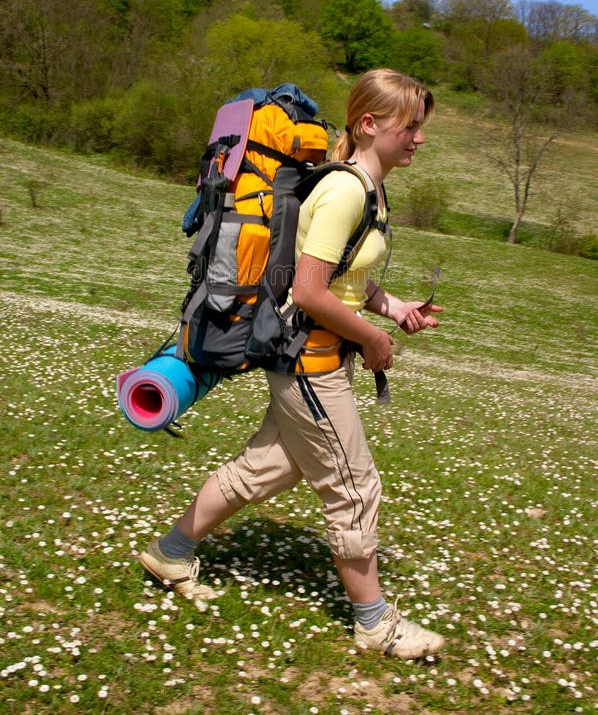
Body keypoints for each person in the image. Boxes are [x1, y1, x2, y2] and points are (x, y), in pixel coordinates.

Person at [140, 69, 445, 659]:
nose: (419, 138)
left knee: (262, 471)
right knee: (355, 489)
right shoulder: (346, 191)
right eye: (411, 126)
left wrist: (393, 306)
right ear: (369, 125)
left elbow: (342, 274)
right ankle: (375, 624)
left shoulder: (369, 189)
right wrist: (374, 341)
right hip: (308, 364)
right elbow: (307, 291)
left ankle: (169, 554)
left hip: (314, 361)